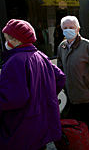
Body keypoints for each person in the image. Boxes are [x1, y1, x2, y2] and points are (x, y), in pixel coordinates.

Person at [0, 19, 66, 150]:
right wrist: (46, 97)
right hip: (41, 123)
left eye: (8, 39)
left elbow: (13, 99)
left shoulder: (14, 61)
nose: (6, 43)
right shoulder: (41, 56)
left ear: (18, 40)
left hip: (23, 126)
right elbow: (60, 78)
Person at [57, 16, 89, 150]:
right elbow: (60, 70)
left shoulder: (87, 46)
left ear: (78, 29)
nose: (68, 30)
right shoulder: (62, 46)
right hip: (70, 96)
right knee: (75, 128)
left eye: (71, 27)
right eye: (65, 28)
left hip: (86, 96)